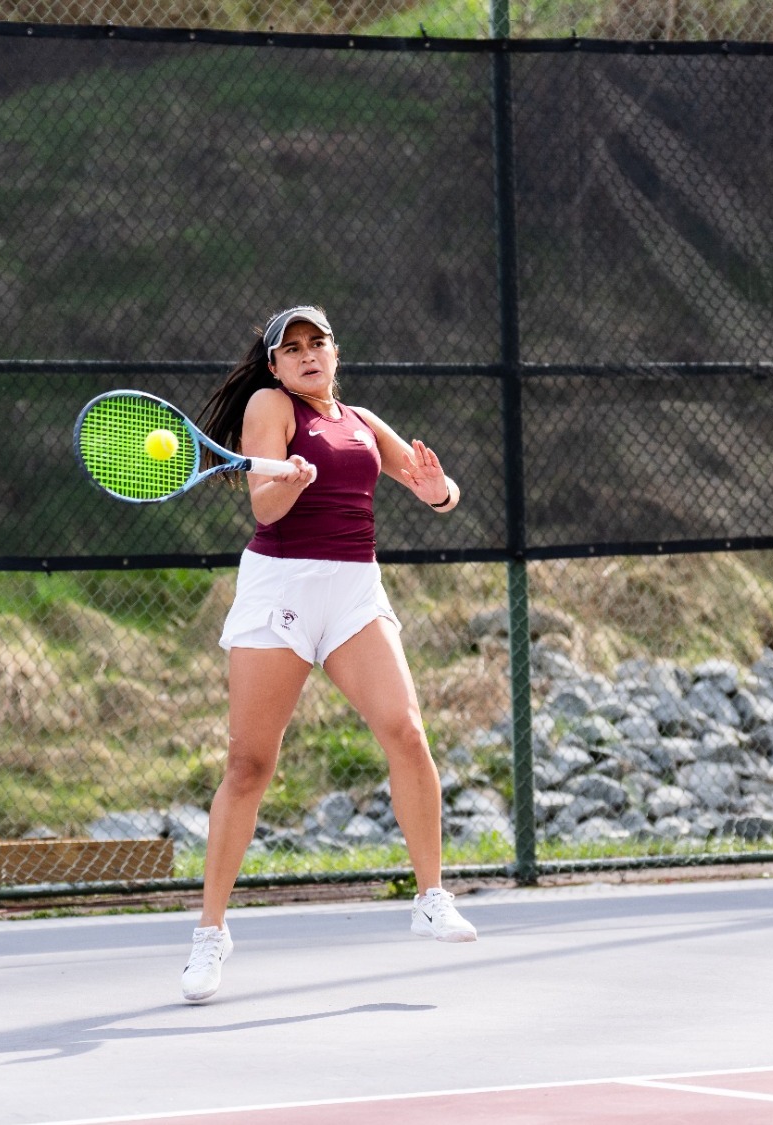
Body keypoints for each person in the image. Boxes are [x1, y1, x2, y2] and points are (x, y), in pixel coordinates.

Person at [180, 305, 476, 1004]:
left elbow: (431, 484)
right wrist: (288, 480)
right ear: (276, 363)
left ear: (335, 354)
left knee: (406, 731)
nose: (308, 355)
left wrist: (440, 492)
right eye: (294, 347)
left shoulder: (363, 421)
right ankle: (210, 933)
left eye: (319, 343)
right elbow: (265, 509)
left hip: (353, 590)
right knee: (250, 764)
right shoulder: (269, 405)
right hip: (281, 586)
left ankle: (431, 895)